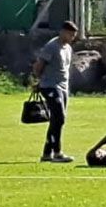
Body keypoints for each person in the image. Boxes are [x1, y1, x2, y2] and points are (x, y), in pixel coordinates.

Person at [32, 20, 77, 163]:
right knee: (59, 117)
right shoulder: (51, 47)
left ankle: (46, 153)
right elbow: (39, 66)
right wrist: (38, 81)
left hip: (63, 87)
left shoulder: (68, 48)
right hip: (50, 86)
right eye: (70, 35)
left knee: (57, 120)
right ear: (63, 32)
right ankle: (57, 153)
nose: (72, 38)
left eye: (73, 35)